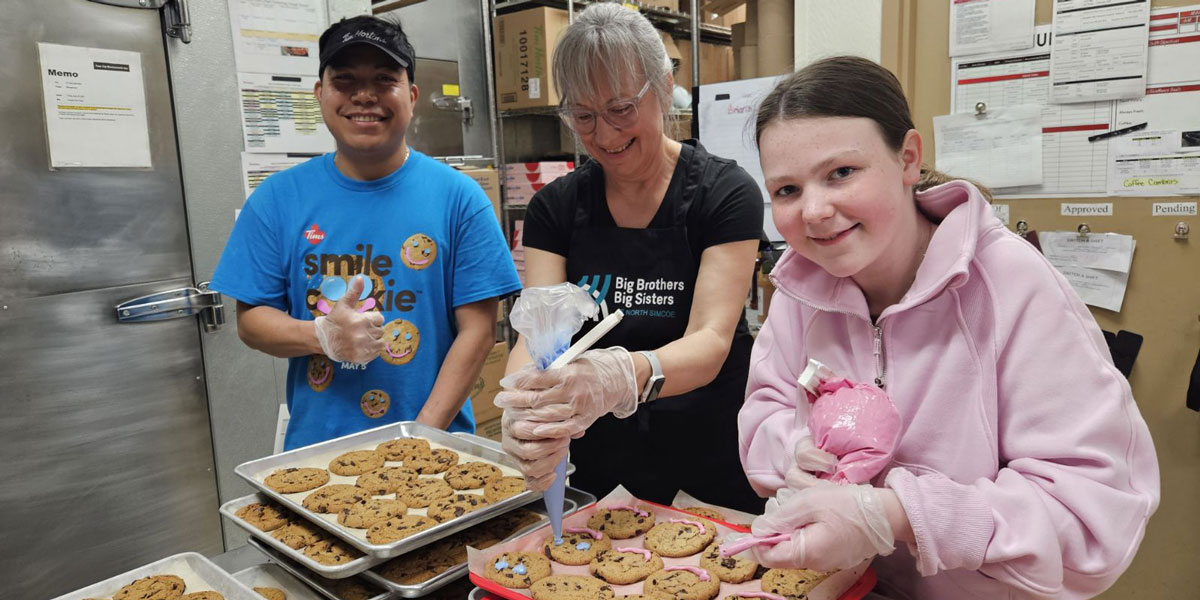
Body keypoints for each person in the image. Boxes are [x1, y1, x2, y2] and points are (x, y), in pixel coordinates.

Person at [737, 56, 1160, 599]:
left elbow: (1092, 514)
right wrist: (796, 450)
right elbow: (765, 414)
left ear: (908, 158)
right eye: (787, 190)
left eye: (841, 172)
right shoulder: (801, 290)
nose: (815, 211)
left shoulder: (1010, 285)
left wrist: (899, 514)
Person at [496, 3, 766, 514]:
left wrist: (621, 376)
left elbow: (710, 340)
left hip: (708, 446)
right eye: (583, 116)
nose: (604, 134)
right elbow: (539, 337)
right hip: (599, 458)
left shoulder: (724, 192)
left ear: (663, 87)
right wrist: (524, 403)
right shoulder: (554, 208)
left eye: (621, 108)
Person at [210, 16, 520, 450]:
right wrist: (320, 335)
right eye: (344, 80)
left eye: (383, 79)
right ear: (320, 94)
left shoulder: (460, 198)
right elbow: (252, 322)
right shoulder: (279, 198)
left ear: (411, 96)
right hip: (314, 452)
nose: (364, 96)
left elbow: (479, 331)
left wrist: (421, 436)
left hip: (433, 449)